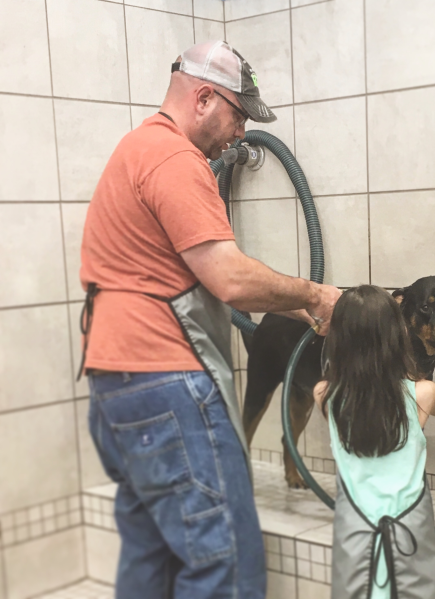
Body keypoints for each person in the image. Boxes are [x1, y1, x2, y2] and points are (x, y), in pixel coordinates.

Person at [79, 41, 341, 599]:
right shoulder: (176, 160)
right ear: (203, 98)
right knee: (224, 560)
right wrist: (318, 294)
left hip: (116, 387)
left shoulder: (136, 149)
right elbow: (231, 280)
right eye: (239, 115)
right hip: (166, 387)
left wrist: (304, 307)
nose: (241, 134)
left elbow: (200, 275)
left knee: (150, 555)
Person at [313, 285, 435, 599]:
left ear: (339, 338)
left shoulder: (325, 394)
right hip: (409, 534)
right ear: (398, 335)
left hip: (354, 536)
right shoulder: (423, 393)